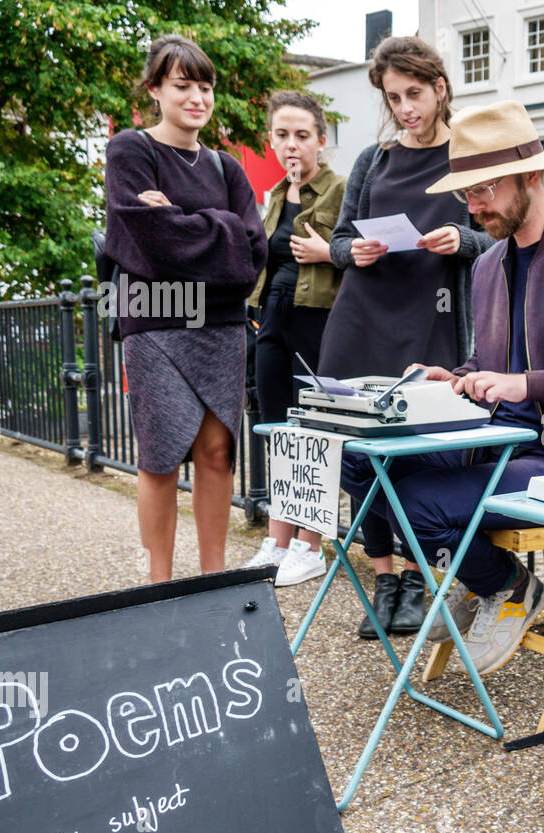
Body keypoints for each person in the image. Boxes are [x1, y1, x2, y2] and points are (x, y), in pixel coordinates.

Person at [339, 99, 544, 676]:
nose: (474, 205)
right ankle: (480, 578)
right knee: (358, 465)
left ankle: (506, 586)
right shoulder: (488, 265)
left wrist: (522, 383)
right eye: (466, 193)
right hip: (494, 439)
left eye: (485, 188)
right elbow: (487, 363)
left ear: (532, 174)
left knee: (414, 504)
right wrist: (454, 378)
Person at [319, 35, 494, 635]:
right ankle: (385, 580)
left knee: (420, 452)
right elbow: (338, 242)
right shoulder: (372, 160)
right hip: (362, 319)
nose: (404, 109)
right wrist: (354, 251)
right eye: (394, 98)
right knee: (360, 456)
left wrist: (462, 240)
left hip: (433, 321)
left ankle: (420, 580)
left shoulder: (469, 155)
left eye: (413, 94)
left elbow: (501, 235)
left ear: (440, 88)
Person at [104, 35, 268, 582]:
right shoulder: (132, 150)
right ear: (155, 89)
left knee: (218, 452)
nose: (197, 97)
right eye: (182, 85)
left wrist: (181, 217)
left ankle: (212, 581)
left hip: (220, 325)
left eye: (205, 86)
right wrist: (218, 230)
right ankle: (159, 585)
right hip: (153, 320)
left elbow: (255, 251)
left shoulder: (226, 167)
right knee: (160, 455)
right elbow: (149, 244)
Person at [242, 90, 346, 587]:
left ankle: (311, 544)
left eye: (302, 136)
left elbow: (358, 254)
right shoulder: (275, 197)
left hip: (316, 318)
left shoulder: (340, 189)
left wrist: (330, 252)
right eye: (282, 136)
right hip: (272, 319)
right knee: (278, 428)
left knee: (315, 433)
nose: (292, 146)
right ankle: (278, 541)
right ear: (271, 141)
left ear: (320, 141)